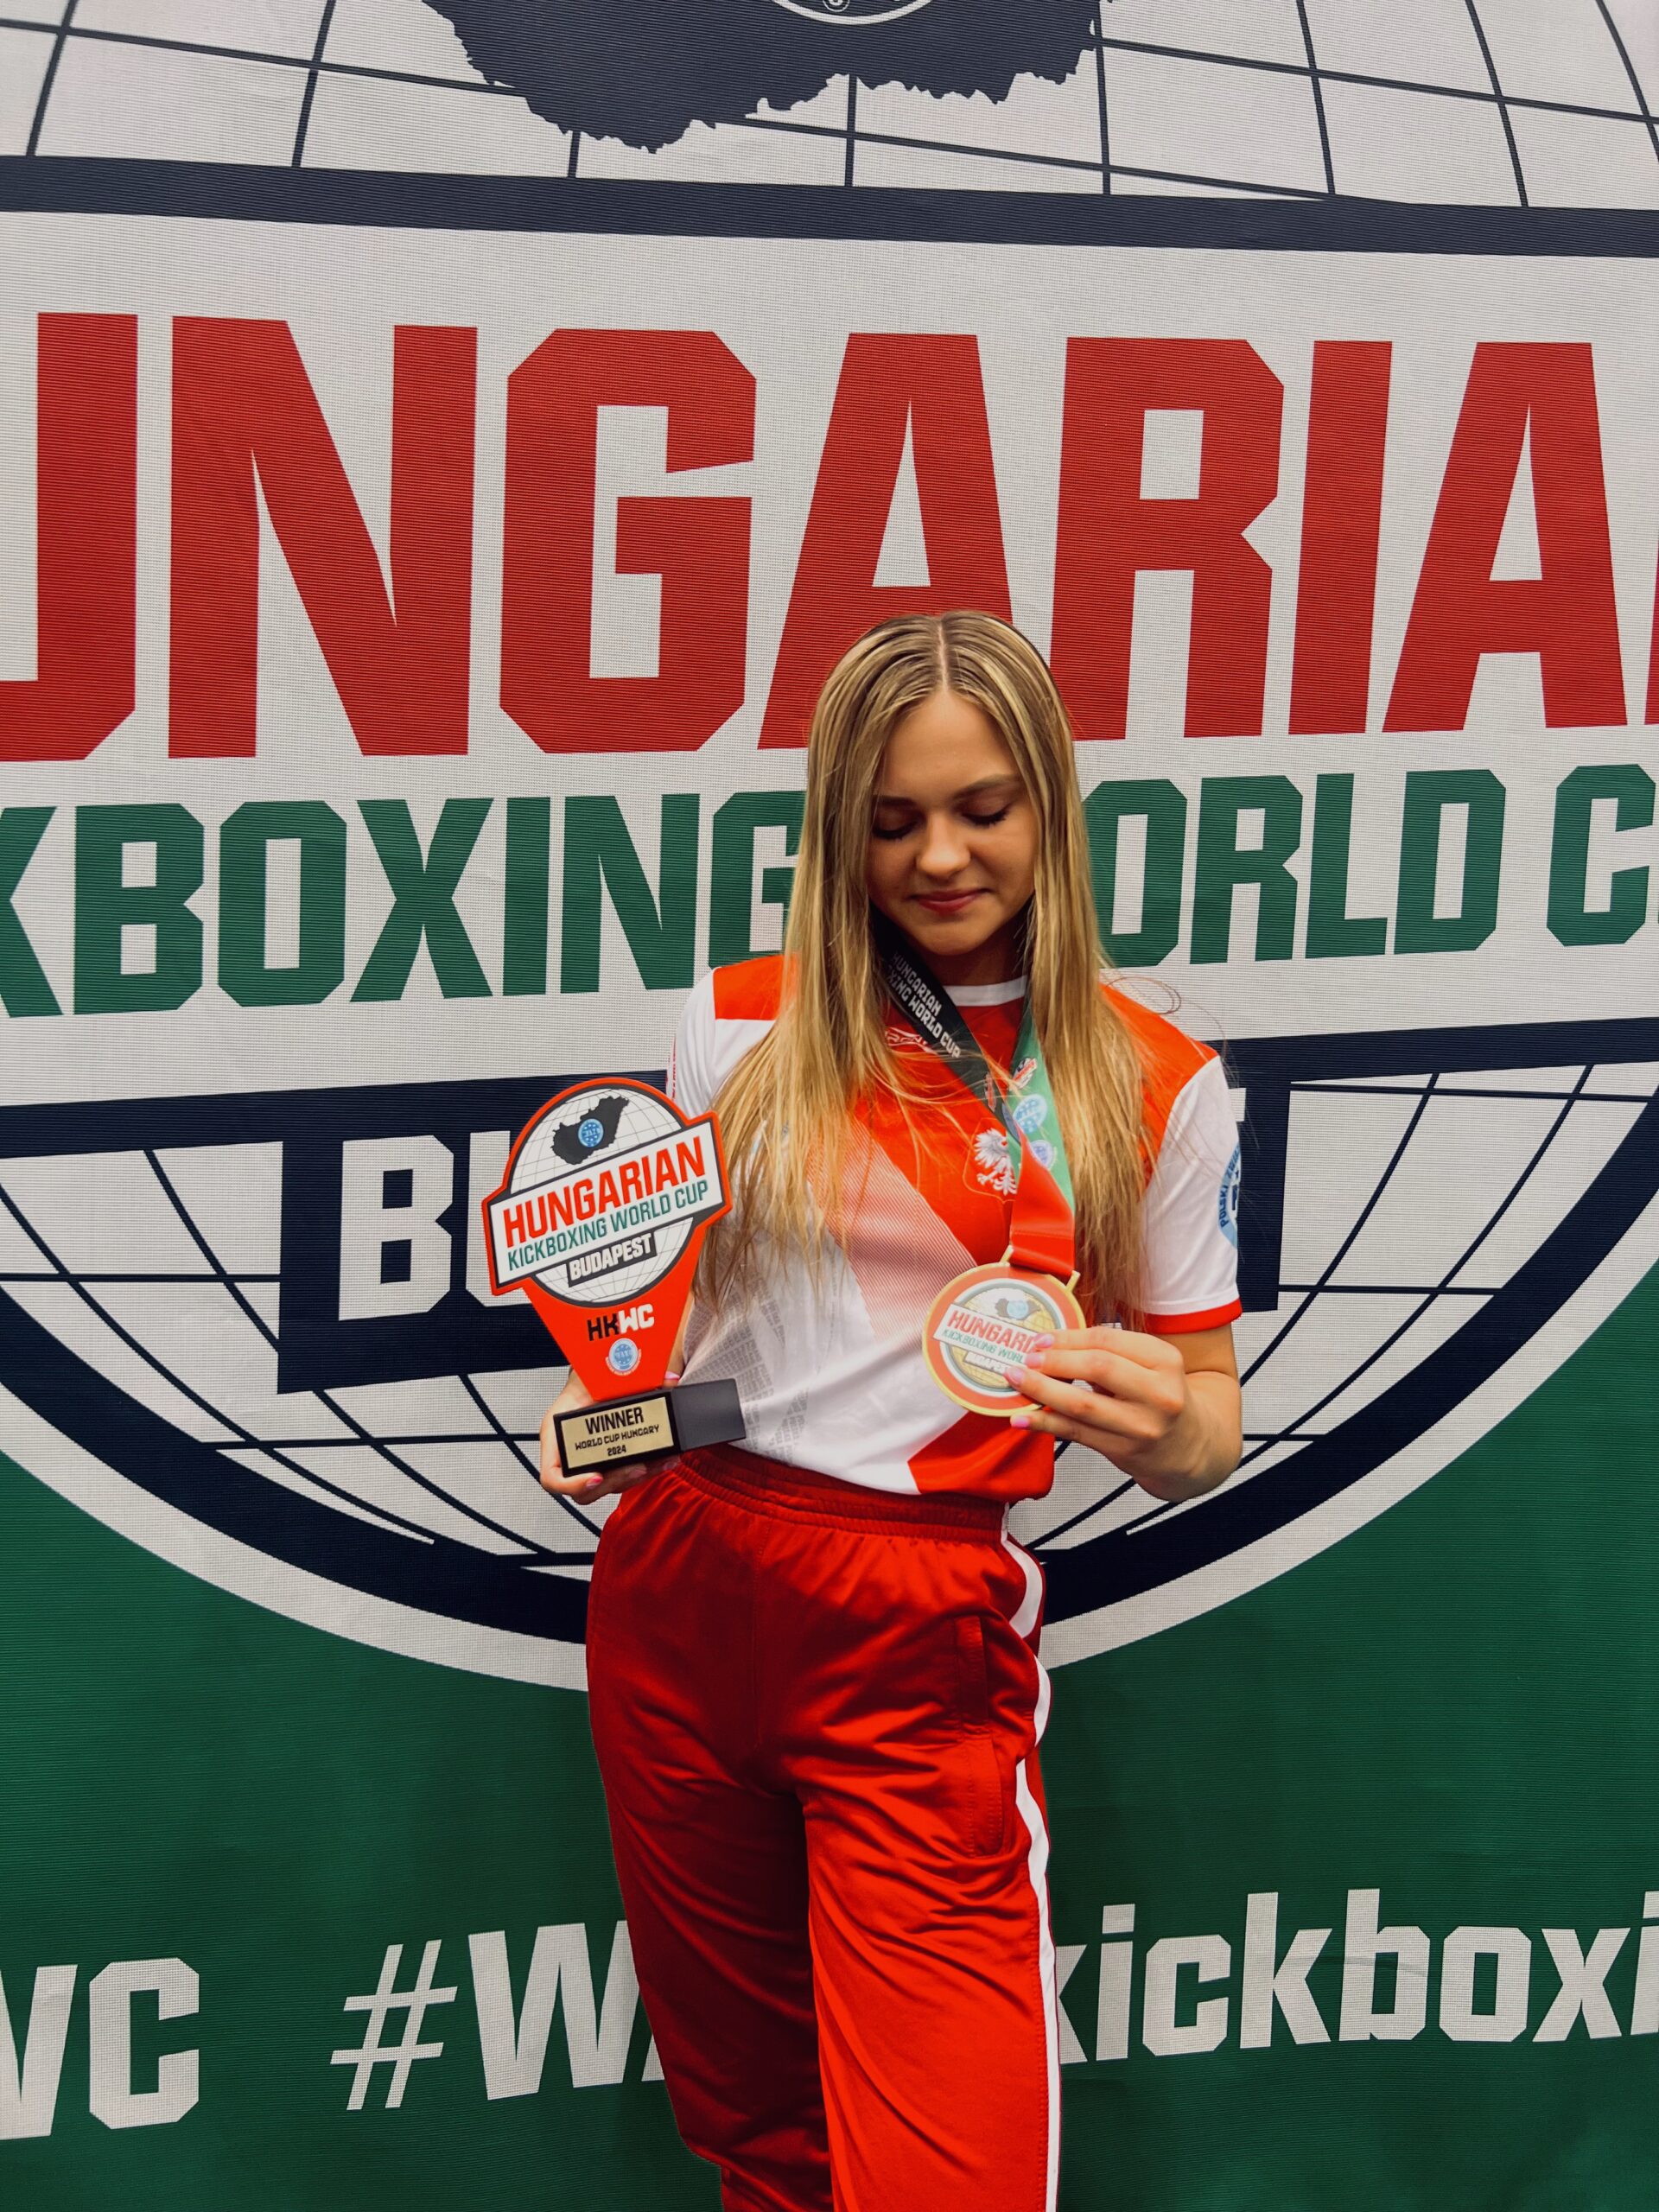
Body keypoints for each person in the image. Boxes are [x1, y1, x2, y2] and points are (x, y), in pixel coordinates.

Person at [540, 611, 1243, 2212]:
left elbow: (1211, 1427)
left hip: (917, 1618)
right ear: (834, 829)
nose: (939, 856)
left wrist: (1165, 1429)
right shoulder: (738, 1021)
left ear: (1050, 803)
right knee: (759, 2132)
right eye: (890, 818)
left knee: (947, 2178)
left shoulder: (1157, 1078)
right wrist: (606, 1405)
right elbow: (679, 1333)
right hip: (680, 1580)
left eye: (984, 808)